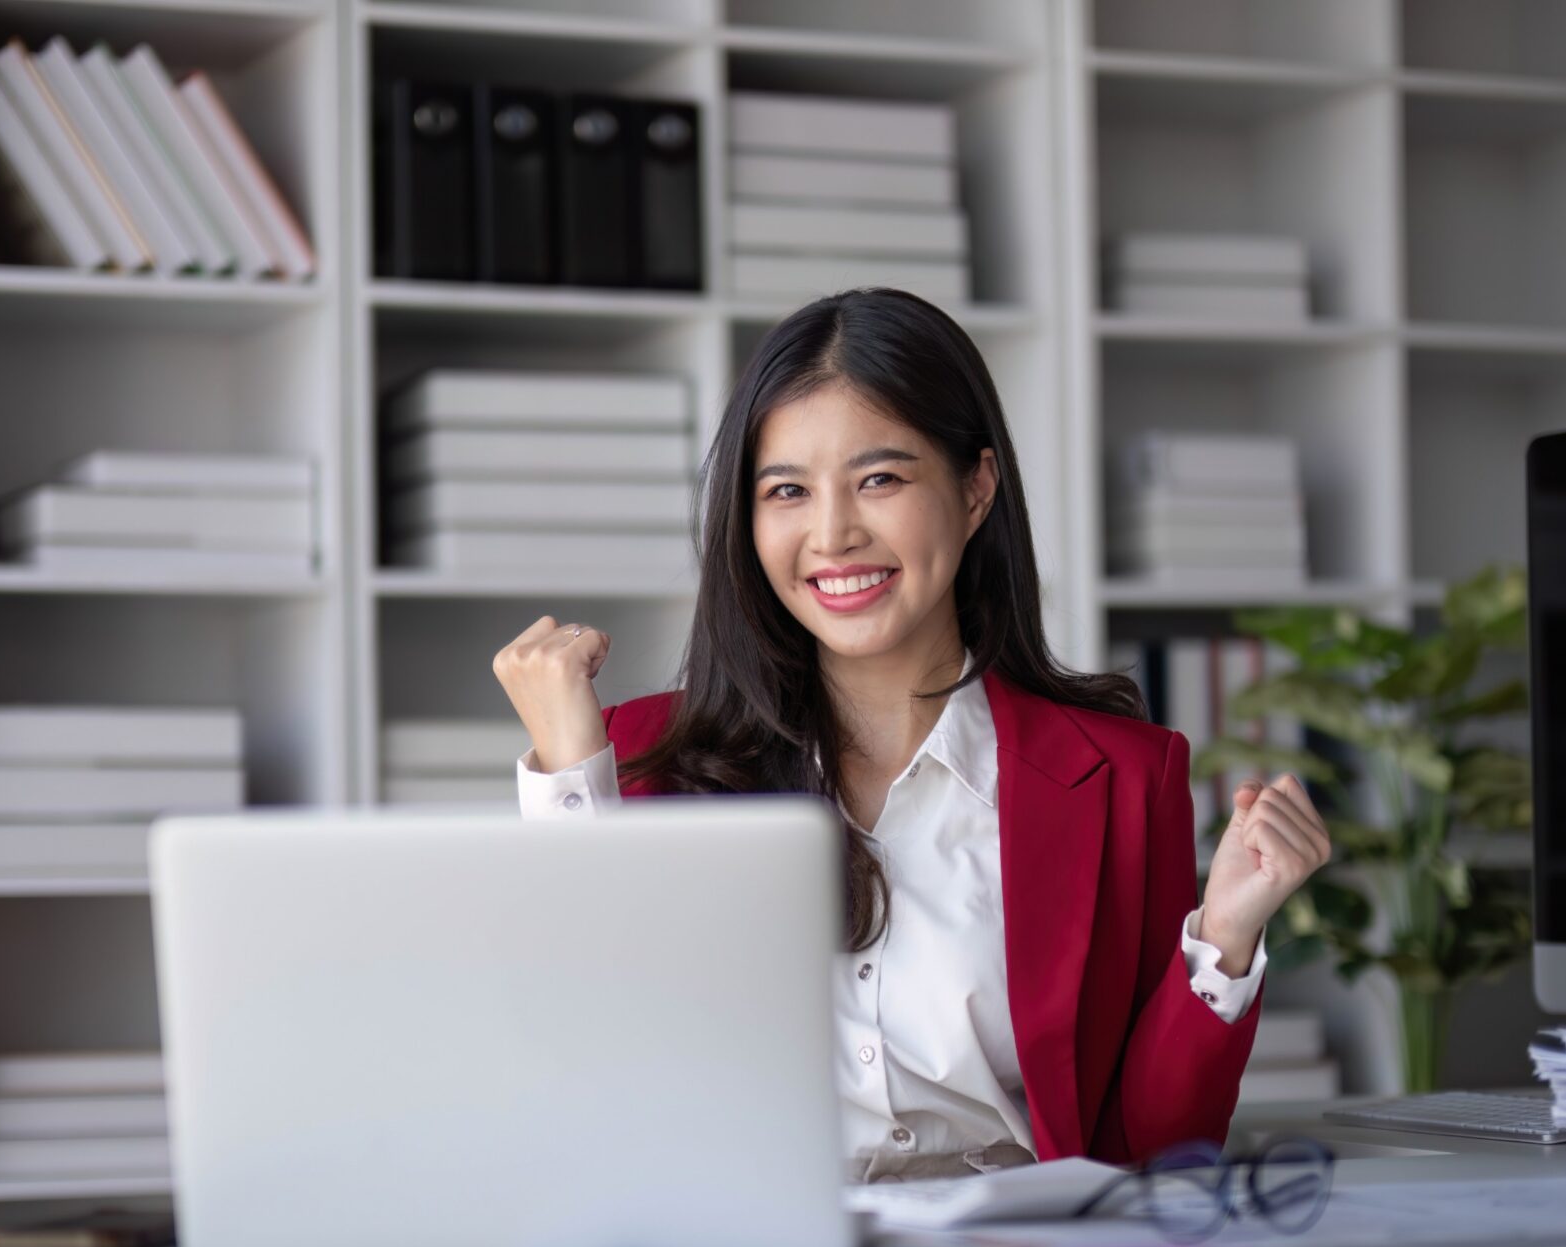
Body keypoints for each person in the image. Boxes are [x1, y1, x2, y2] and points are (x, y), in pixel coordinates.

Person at [492, 287, 1331, 1183]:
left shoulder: (1122, 777)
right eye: (787, 491)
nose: (833, 534)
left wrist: (1227, 935)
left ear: (976, 489)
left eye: (880, 479)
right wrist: (570, 773)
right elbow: (583, 1078)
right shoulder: (646, 757)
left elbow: (1150, 1152)